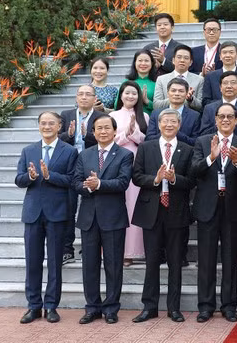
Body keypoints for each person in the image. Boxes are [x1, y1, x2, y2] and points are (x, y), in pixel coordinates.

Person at [130, 109, 195, 323]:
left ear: (179, 125)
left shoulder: (187, 149)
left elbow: (192, 181)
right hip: (152, 212)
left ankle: (173, 308)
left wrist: (175, 179)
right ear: (158, 124)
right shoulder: (146, 147)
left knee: (175, 262)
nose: (169, 125)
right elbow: (137, 176)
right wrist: (156, 180)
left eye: (173, 121)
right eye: (165, 121)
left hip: (176, 211)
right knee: (151, 263)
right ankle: (149, 307)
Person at [191, 103, 237, 323]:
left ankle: (229, 306)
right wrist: (211, 157)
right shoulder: (202, 142)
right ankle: (205, 306)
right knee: (206, 260)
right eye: (221, 116)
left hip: (232, 209)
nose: (225, 120)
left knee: (230, 260)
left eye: (230, 116)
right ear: (215, 119)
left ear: (236, 120)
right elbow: (194, 170)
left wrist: (235, 160)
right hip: (207, 208)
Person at [16, 111, 78, 324]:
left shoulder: (69, 151)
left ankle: (51, 306)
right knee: (32, 262)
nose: (47, 126)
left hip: (57, 213)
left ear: (59, 126)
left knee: (54, 263)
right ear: (38, 126)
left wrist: (50, 176)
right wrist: (31, 176)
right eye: (43, 123)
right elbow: (19, 179)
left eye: (51, 123)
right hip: (33, 213)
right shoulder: (28, 150)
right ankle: (33, 306)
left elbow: (72, 180)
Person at [72, 115, 133, 324]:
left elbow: (123, 182)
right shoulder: (85, 155)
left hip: (113, 217)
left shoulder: (124, 154)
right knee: (89, 265)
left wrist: (99, 184)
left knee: (113, 265)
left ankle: (111, 308)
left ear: (115, 131)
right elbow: (76, 182)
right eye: (99, 128)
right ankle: (92, 307)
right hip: (89, 217)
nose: (103, 131)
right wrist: (87, 186)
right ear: (93, 132)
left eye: (107, 128)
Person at [58, 85, 104, 264]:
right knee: (68, 208)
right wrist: (68, 135)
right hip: (68, 165)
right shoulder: (66, 115)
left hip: (90, 164)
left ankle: (89, 248)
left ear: (95, 98)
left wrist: (88, 136)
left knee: (90, 208)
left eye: (88, 94)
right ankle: (67, 249)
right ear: (76, 97)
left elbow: (104, 139)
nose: (84, 97)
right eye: (81, 94)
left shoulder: (100, 117)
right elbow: (56, 137)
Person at [111, 81, 150, 265]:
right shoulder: (112, 115)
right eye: (127, 93)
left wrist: (134, 132)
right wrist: (125, 133)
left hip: (135, 160)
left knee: (133, 204)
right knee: (117, 204)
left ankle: (131, 251)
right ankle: (114, 248)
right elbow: (108, 140)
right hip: (115, 161)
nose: (130, 97)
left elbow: (145, 141)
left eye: (134, 94)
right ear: (121, 95)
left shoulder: (146, 117)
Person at [199, 71, 237, 140]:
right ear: (220, 88)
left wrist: (232, 125)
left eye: (233, 83)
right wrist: (219, 125)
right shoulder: (209, 108)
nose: (229, 86)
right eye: (225, 83)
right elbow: (203, 134)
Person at [146, 78, 201, 147]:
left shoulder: (195, 116)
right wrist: (166, 132)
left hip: (184, 155)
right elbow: (148, 139)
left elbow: (196, 142)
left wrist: (176, 133)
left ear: (187, 94)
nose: (177, 94)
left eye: (181, 91)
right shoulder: (156, 114)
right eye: (173, 90)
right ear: (168, 93)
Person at [153, 44, 204, 112]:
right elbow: (156, 105)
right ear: (173, 60)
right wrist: (174, 98)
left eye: (186, 58)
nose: (182, 60)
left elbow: (201, 106)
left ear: (191, 62)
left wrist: (190, 99)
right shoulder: (161, 79)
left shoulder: (199, 80)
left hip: (189, 119)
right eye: (179, 57)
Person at [124, 49, 158, 114]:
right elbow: (117, 104)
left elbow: (161, 107)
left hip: (149, 120)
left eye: (146, 61)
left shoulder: (157, 84)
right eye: (140, 60)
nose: (143, 63)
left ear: (152, 63)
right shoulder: (126, 82)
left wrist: (147, 101)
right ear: (135, 63)